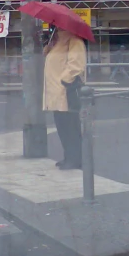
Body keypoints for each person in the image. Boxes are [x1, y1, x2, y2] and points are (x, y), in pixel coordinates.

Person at [43, 27, 87, 170]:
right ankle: (68, 156)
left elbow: (76, 65)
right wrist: (48, 48)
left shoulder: (74, 40)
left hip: (65, 91)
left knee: (71, 127)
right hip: (56, 92)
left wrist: (64, 81)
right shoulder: (57, 42)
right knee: (62, 126)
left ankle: (75, 159)